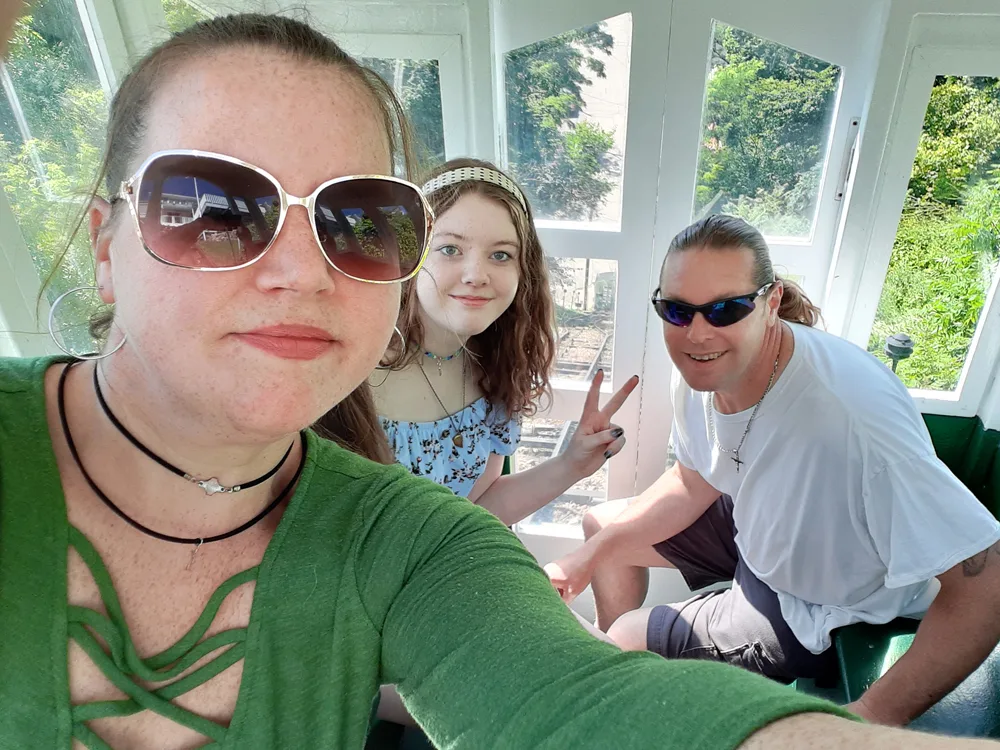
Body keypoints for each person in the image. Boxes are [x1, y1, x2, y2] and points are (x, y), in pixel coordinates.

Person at [0, 12, 995, 750]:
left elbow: (566, 688)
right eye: (213, 204)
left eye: (358, 218)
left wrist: (570, 470)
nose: (299, 268)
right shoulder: (354, 393)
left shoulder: (409, 500)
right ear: (103, 240)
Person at [544, 214, 1000, 728]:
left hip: (817, 602)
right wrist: (591, 554)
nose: (696, 334)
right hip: (758, 532)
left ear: (772, 301)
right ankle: (638, 685)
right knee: (600, 530)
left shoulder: (852, 422)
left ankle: (632, 674)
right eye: (676, 310)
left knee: (627, 637)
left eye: (726, 309)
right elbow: (694, 481)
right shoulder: (703, 370)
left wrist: (873, 713)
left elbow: (987, 582)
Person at [356, 157, 636, 525]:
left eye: (500, 255)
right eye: (450, 249)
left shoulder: (500, 367)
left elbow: (476, 510)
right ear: (409, 255)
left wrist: (573, 464)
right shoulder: (354, 372)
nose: (476, 275)